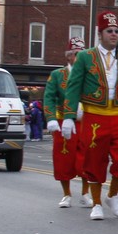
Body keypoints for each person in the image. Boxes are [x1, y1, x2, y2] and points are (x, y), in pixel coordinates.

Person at [61, 11, 118, 222]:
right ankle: (96, 203)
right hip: (94, 116)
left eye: (117, 31)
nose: (114, 34)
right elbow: (73, 87)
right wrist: (69, 116)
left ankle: (112, 194)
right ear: (100, 33)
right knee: (94, 161)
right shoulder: (86, 57)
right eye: (109, 31)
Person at [43, 36, 93, 209]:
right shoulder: (58, 75)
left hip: (85, 122)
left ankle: (86, 193)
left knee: (87, 157)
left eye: (82, 54)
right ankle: (66, 194)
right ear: (69, 56)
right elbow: (48, 98)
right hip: (64, 121)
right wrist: (50, 119)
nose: (79, 57)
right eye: (76, 54)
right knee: (63, 158)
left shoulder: (91, 75)